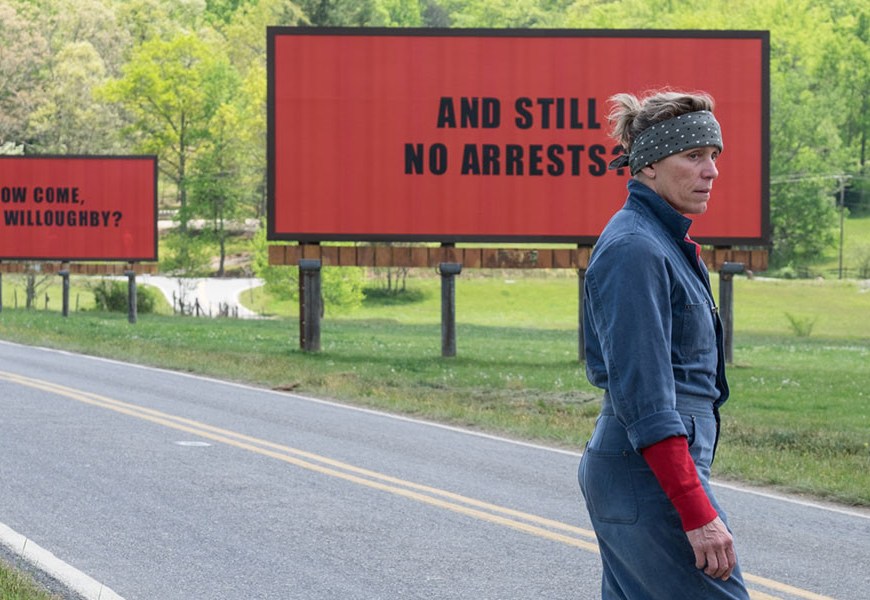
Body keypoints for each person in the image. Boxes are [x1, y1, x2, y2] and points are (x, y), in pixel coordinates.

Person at [578, 89, 750, 600]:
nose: (711, 171)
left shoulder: (660, 242)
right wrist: (696, 511)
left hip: (646, 472)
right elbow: (646, 399)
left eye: (713, 156)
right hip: (648, 474)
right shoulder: (635, 248)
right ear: (649, 164)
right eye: (693, 156)